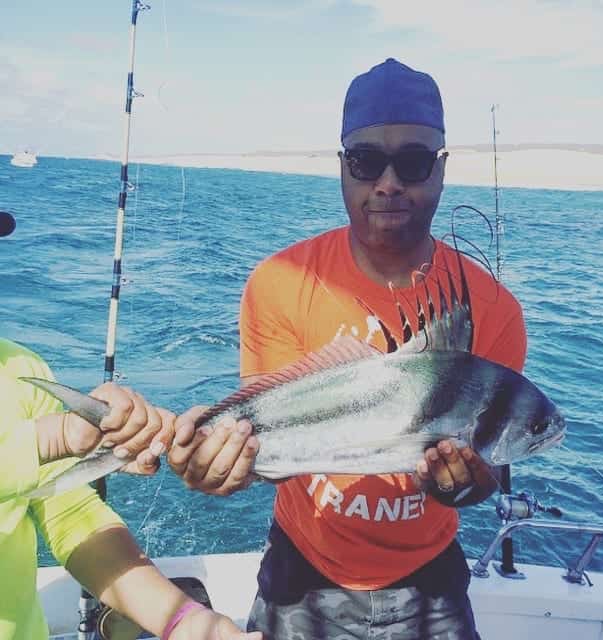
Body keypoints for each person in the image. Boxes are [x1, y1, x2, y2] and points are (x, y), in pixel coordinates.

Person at [168, 59, 526, 639]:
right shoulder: (279, 282)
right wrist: (222, 464)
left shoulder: (494, 310)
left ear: (440, 169)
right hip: (301, 572)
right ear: (342, 167)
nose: (388, 183)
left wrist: (461, 484)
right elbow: (269, 446)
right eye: (365, 161)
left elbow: (483, 472)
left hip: (429, 580)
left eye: (411, 162)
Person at [0, 212, 260, 640]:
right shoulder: (49, 425)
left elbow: (70, 514)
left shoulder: (21, 368)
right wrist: (55, 437)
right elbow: (42, 448)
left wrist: (183, 620)